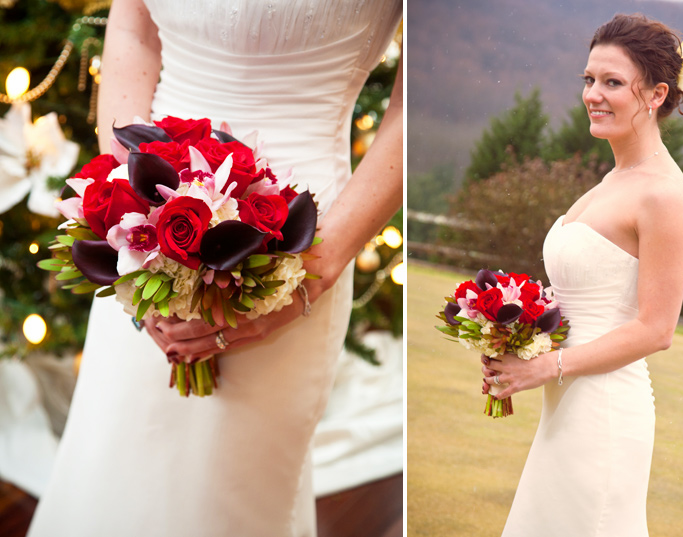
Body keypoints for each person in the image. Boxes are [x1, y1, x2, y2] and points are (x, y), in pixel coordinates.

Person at [27, 1, 402, 536]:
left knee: (232, 496)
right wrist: (127, 199)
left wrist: (313, 272)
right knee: (109, 463)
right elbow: (134, 26)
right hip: (141, 226)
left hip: (294, 240)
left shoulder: (302, 260)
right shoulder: (135, 225)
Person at [481, 13, 683, 536]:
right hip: (566, 405)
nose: (593, 95)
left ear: (655, 94)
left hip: (604, 409)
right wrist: (513, 339)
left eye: (613, 82)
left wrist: (545, 367)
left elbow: (657, 329)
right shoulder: (612, 180)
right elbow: (576, 298)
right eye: (589, 79)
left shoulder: (664, 194)